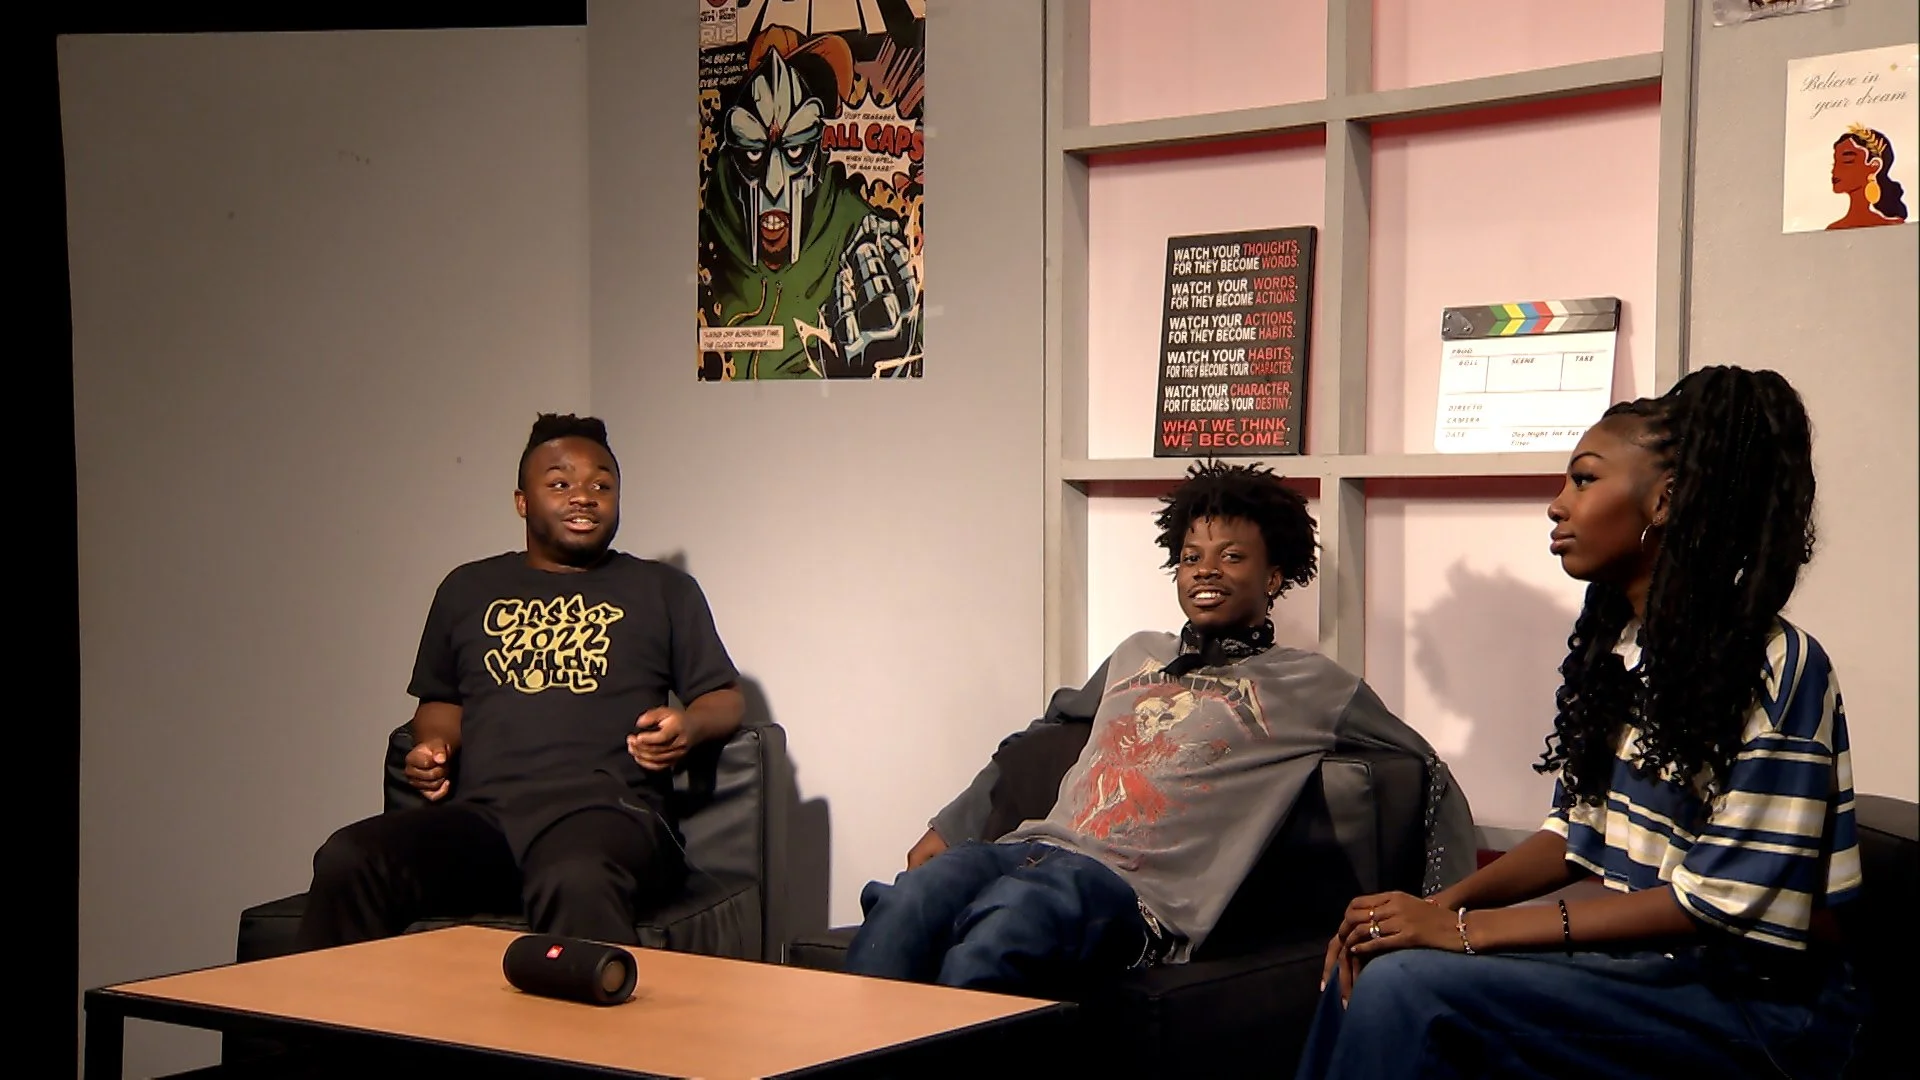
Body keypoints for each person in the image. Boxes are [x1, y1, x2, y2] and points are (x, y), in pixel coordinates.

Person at [1296, 366, 1868, 1080]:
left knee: (1409, 988)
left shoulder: (1780, 667)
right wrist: (1429, 909)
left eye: (1585, 480)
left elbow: (1713, 904)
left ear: (1664, 499)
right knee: (1383, 953)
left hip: (1760, 1009)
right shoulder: (1625, 652)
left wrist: (1466, 933)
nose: (1556, 505)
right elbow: (1576, 834)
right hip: (1650, 976)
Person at [844, 460, 1477, 994]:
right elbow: (1049, 728)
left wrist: (1440, 910)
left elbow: (1429, 772)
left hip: (1133, 896)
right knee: (908, 902)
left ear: (1275, 576)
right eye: (1191, 557)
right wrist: (951, 824)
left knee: (1005, 928)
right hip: (1028, 848)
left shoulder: (1316, 686)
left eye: (1232, 557)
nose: (1206, 570)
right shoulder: (1134, 652)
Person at [294, 413, 746, 949]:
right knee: (350, 858)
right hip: (485, 819)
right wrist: (433, 745)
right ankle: (332, 1034)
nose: (584, 497)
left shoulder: (664, 589)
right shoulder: (467, 588)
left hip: (608, 814)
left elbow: (724, 697)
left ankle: (591, 1035)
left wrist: (689, 726)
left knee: (574, 874)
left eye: (602, 485)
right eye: (559, 484)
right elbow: (440, 702)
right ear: (522, 502)